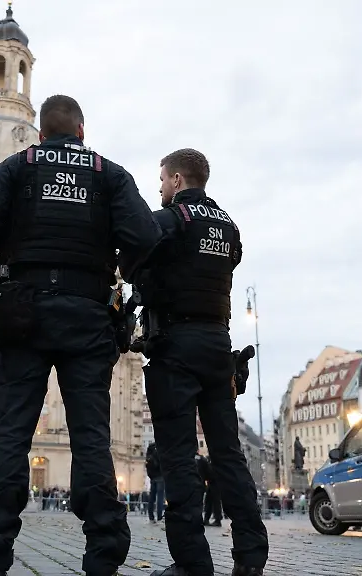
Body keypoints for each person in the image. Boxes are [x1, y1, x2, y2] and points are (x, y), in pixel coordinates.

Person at [0, 94, 162, 576]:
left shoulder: (17, 165)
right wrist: (117, 269)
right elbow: (148, 237)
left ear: (42, 133)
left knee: (9, 436)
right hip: (88, 314)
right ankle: (103, 557)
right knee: (92, 437)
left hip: (22, 311)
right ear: (82, 131)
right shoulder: (108, 174)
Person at [121, 149, 268, 576]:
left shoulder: (168, 220)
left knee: (179, 458)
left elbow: (131, 263)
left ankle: (192, 563)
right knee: (228, 455)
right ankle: (251, 559)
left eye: (163, 179)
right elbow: (226, 262)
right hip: (218, 347)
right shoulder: (229, 226)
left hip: (176, 347)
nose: (160, 187)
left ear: (179, 179)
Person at [145, 442, 165, 523]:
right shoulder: (161, 447)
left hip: (153, 477)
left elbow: (147, 463)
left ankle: (151, 517)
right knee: (160, 498)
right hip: (160, 476)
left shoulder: (151, 449)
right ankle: (159, 517)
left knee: (152, 497)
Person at [202, 456, 222, 527]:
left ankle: (217, 519)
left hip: (215, 482)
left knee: (215, 501)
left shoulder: (216, 460)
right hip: (212, 482)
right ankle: (207, 519)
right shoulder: (211, 459)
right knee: (209, 501)